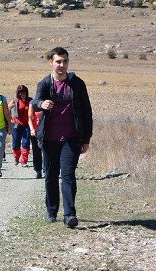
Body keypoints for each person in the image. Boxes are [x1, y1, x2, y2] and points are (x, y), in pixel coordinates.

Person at [32, 47, 93, 228]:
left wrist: (86, 139)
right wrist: (41, 104)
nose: (62, 65)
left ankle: (69, 215)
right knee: (51, 175)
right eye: (58, 61)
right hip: (49, 138)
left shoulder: (77, 84)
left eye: (65, 61)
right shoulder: (45, 83)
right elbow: (34, 102)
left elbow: (86, 112)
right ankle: (51, 210)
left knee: (68, 175)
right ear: (51, 62)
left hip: (71, 137)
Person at [8, 85, 32, 167]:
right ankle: (16, 157)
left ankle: (24, 161)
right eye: (21, 93)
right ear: (18, 93)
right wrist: (10, 108)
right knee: (16, 143)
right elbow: (7, 109)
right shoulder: (15, 101)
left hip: (27, 125)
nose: (23, 94)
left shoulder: (30, 101)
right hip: (16, 124)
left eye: (24, 93)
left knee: (26, 142)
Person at [28, 97, 43, 179]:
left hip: (47, 131)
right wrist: (32, 129)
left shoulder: (49, 102)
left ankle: (47, 169)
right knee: (36, 151)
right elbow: (30, 118)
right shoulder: (33, 103)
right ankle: (38, 170)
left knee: (47, 151)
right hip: (35, 131)